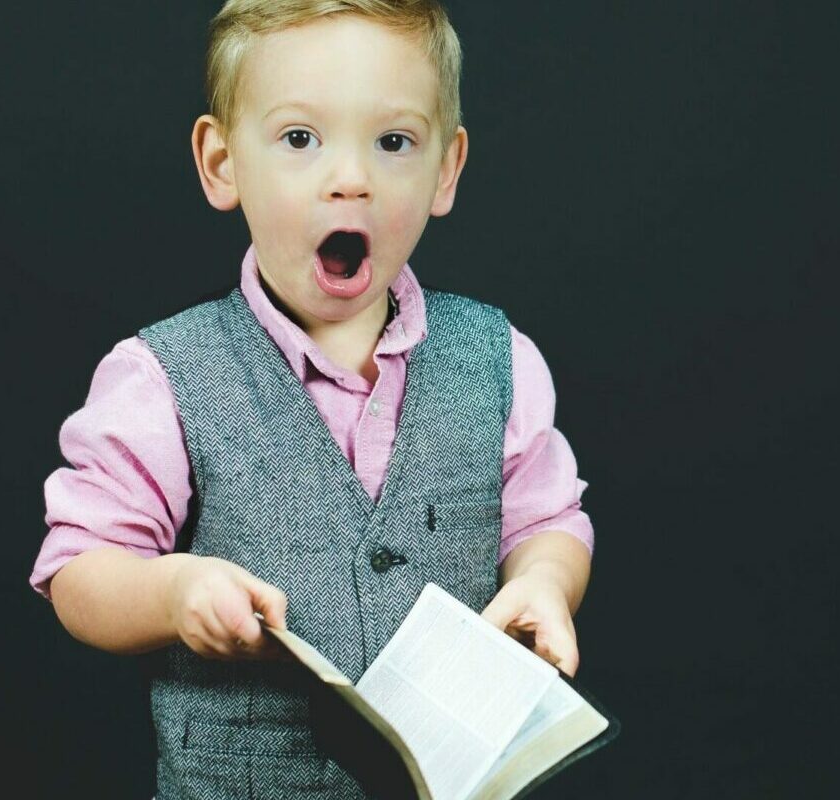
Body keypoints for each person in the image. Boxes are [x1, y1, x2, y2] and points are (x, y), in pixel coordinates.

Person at [29, 1, 594, 797]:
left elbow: (549, 521)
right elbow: (78, 568)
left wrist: (544, 580)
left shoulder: (499, 360)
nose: (351, 180)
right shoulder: (161, 377)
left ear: (446, 170)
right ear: (223, 164)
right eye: (300, 139)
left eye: (393, 142)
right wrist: (174, 591)